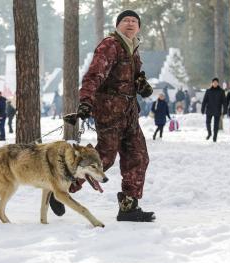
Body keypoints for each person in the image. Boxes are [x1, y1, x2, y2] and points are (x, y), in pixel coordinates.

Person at [55, 10, 155, 222]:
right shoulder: (110, 45)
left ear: (139, 27)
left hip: (129, 114)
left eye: (134, 21)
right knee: (104, 159)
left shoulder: (133, 49)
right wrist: (85, 102)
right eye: (126, 20)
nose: (130, 23)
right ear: (118, 25)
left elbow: (134, 79)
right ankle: (60, 189)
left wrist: (143, 87)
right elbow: (94, 75)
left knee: (138, 157)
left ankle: (129, 207)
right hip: (110, 112)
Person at [201, 78, 226, 142]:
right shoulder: (208, 91)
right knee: (207, 122)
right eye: (214, 82)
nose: (215, 83)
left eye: (216, 82)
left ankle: (215, 137)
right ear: (212, 83)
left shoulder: (221, 91)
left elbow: (224, 102)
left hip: (217, 110)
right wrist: (202, 109)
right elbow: (204, 101)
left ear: (218, 83)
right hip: (209, 109)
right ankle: (209, 133)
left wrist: (225, 111)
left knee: (216, 125)